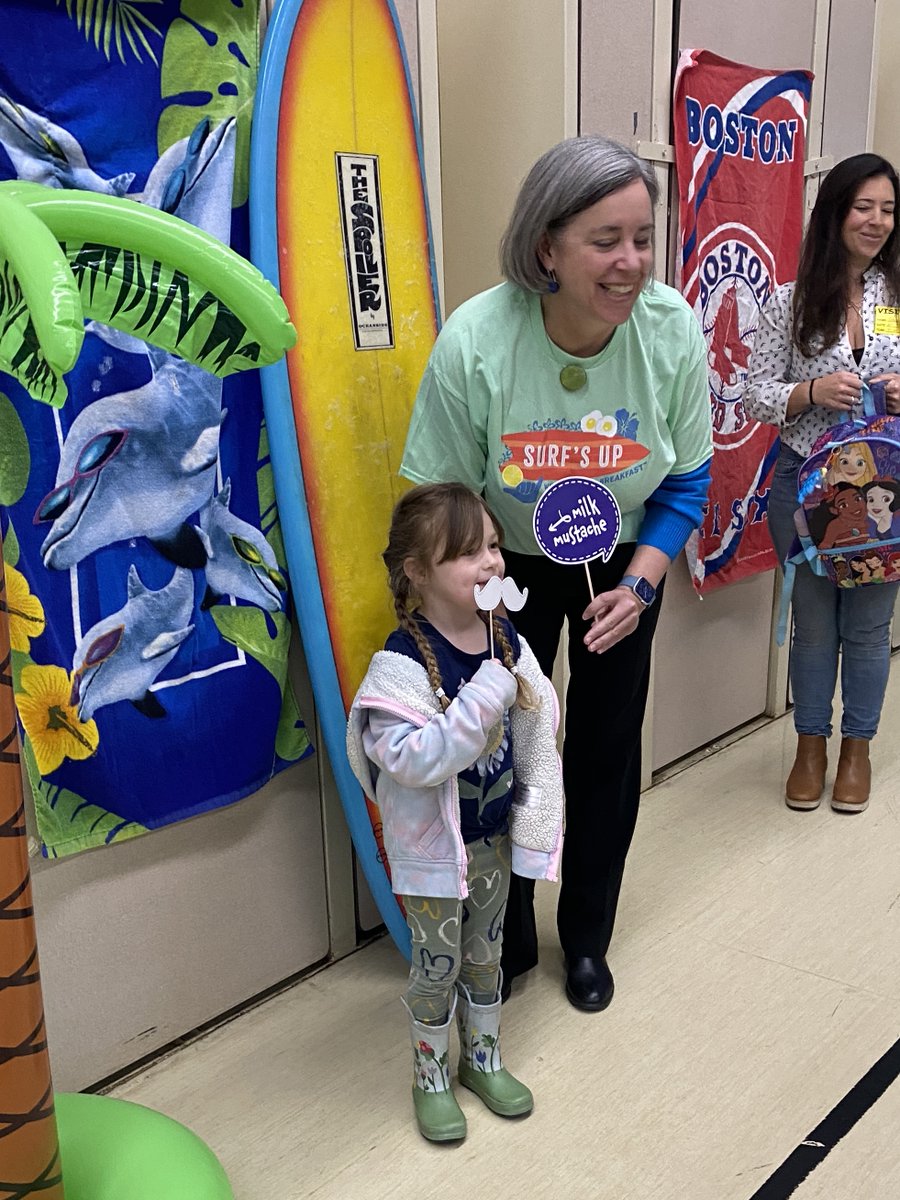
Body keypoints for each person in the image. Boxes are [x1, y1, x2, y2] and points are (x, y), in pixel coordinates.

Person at [399, 135, 713, 1013]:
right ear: (547, 246)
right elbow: (441, 495)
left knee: (606, 750)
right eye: (606, 240)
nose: (632, 262)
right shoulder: (477, 342)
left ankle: (587, 939)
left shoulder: (670, 330)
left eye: (644, 238)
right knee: (506, 749)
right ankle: (504, 930)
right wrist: (474, 586)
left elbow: (687, 473)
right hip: (502, 565)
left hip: (622, 561)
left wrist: (643, 583)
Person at [346, 483, 563, 1143]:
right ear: (417, 572)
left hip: (491, 838)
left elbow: (536, 720)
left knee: (485, 955)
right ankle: (430, 1074)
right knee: (435, 968)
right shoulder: (402, 666)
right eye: (466, 553)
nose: (491, 563)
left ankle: (485, 1059)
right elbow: (414, 760)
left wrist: (534, 811)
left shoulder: (506, 636)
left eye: (493, 545)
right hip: (435, 858)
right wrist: (491, 690)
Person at [745, 153, 900, 815]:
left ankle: (856, 750)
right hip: (807, 487)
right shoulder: (791, 300)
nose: (877, 221)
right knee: (813, 627)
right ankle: (810, 747)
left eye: (888, 209)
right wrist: (810, 390)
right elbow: (753, 396)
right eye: (864, 207)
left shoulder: (896, 297)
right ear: (835, 211)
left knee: (869, 628)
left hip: (884, 490)